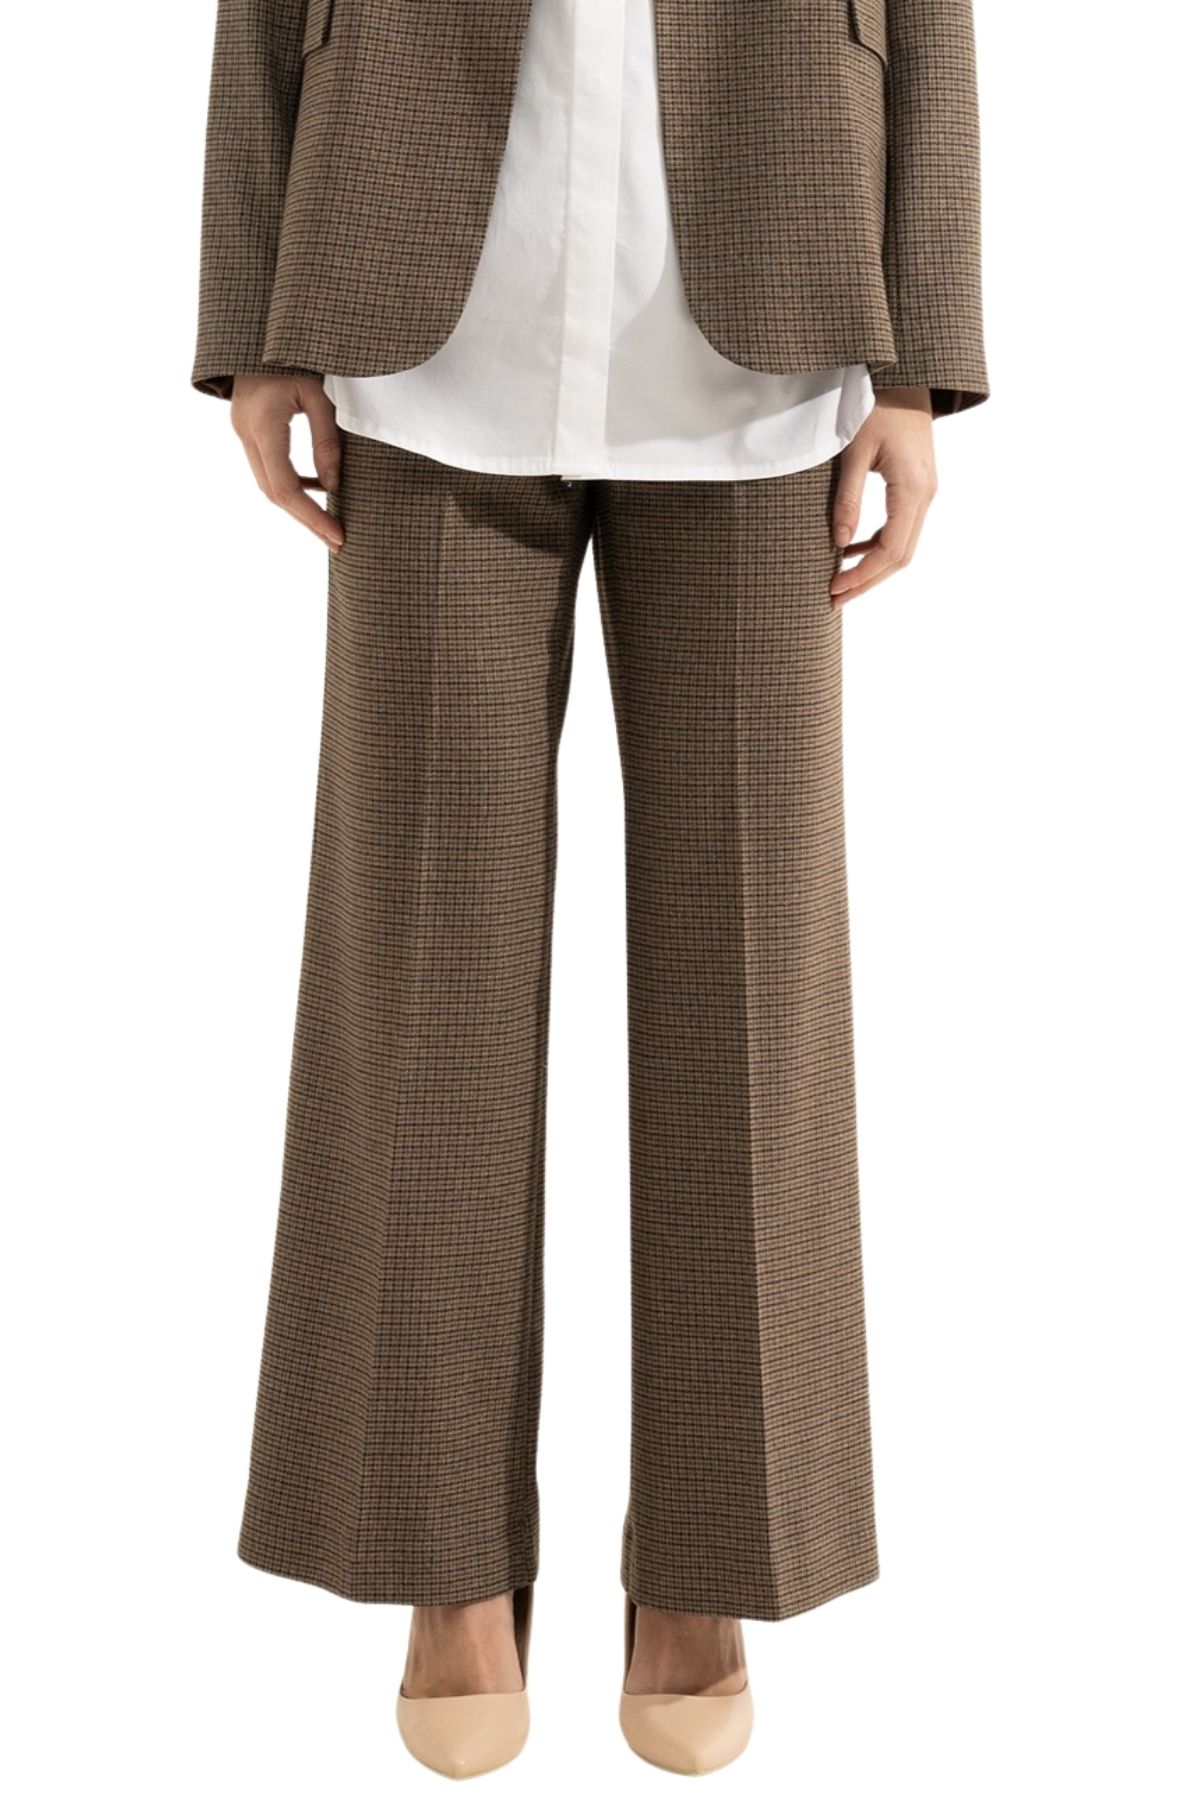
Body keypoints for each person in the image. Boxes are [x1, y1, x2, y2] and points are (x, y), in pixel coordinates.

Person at [192, 0, 987, 1778]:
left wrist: (920, 364)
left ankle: (714, 1553)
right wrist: (252, 317)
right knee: (425, 987)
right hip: (420, 308)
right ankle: (440, 1555)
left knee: (748, 999)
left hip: (770, 314)